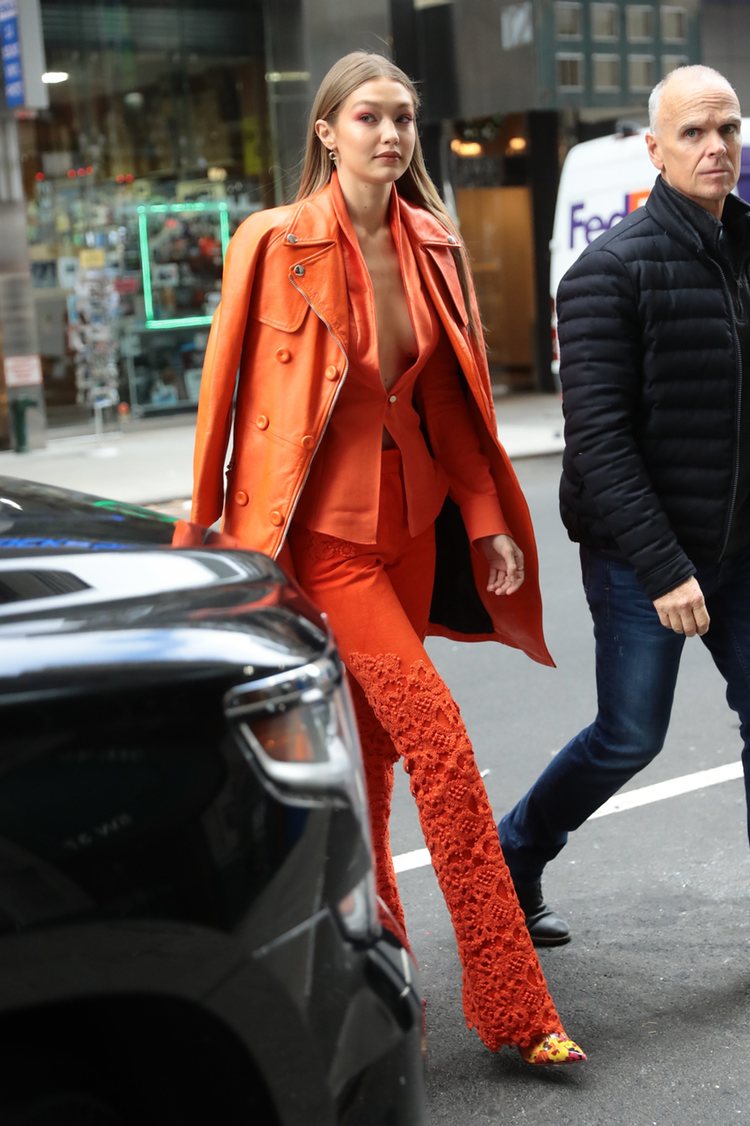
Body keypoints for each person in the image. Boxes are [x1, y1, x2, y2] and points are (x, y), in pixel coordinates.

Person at [190, 50, 585, 1065]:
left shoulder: (433, 243)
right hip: (324, 544)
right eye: (369, 116)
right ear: (325, 131)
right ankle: (513, 1000)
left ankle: (383, 963)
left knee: (370, 764)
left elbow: (453, 398)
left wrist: (490, 514)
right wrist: (203, 543)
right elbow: (222, 404)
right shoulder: (273, 243)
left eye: (404, 117)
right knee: (444, 749)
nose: (391, 134)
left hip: (410, 536)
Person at [498, 64, 750, 945]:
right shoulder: (607, 274)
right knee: (630, 735)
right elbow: (599, 444)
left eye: (726, 128)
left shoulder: (747, 253)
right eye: (693, 132)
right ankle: (515, 856)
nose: (714, 146)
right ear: (656, 149)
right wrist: (668, 568)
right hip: (644, 557)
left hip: (738, 548)